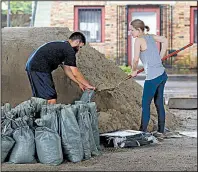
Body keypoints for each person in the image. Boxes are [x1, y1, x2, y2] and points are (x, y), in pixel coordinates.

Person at [26, 31, 95, 104]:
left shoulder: (63, 47)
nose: (78, 50)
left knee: (41, 98)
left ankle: (41, 114)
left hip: (33, 66)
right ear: (77, 42)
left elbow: (67, 70)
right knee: (51, 97)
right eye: (80, 47)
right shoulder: (69, 50)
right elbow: (75, 73)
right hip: (39, 68)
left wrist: (79, 83)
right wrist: (88, 85)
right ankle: (50, 115)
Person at [129, 19, 168, 136]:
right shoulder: (150, 37)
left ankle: (142, 132)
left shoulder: (138, 40)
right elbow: (165, 40)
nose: (131, 33)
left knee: (145, 104)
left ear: (139, 30)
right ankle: (161, 131)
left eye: (132, 30)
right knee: (159, 103)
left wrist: (133, 71)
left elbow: (135, 59)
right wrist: (160, 57)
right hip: (162, 74)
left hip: (152, 77)